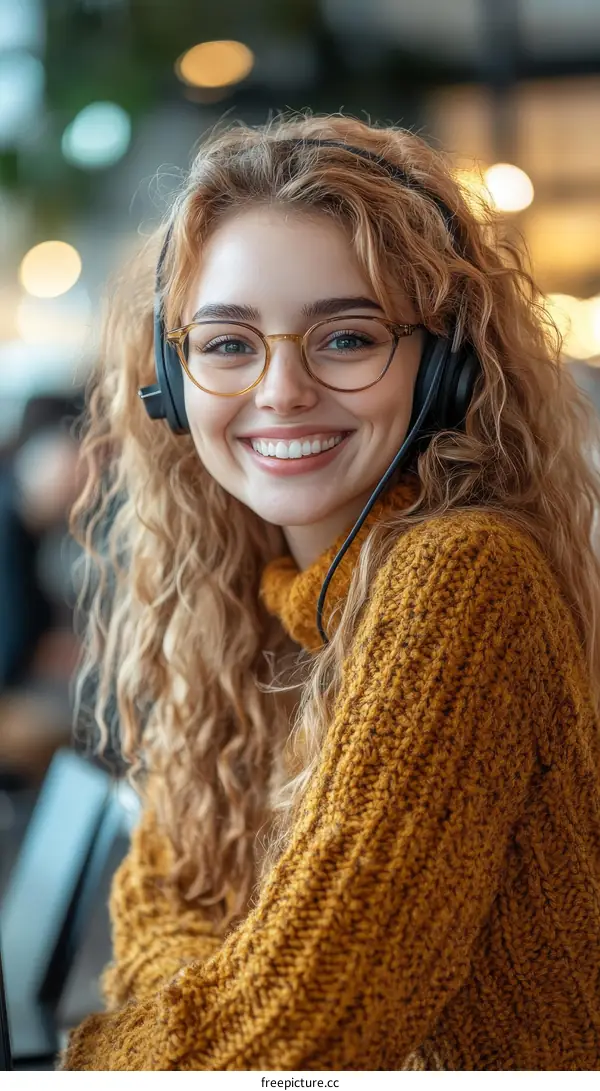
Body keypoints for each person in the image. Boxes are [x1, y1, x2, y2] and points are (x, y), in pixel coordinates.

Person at [59, 114, 600, 1071]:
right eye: (228, 344)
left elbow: (302, 1033)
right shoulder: (244, 604)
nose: (281, 390)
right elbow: (166, 912)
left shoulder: (463, 577)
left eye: (346, 337)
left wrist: (94, 1060)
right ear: (173, 385)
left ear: (445, 367)